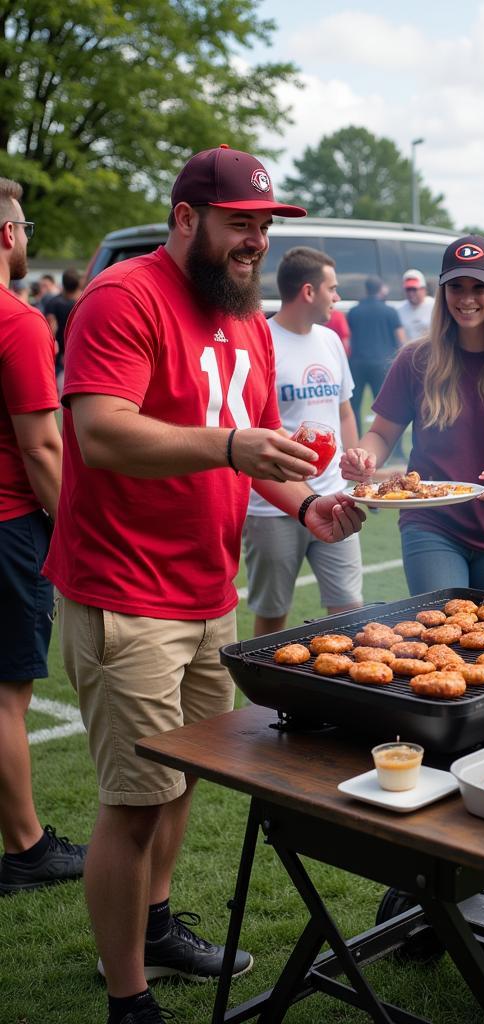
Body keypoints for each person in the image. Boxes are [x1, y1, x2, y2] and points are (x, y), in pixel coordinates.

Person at [44, 146, 364, 1024]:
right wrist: (231, 447)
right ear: (187, 218)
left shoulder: (248, 318)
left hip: (204, 591)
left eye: (265, 226)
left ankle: (154, 925)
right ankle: (128, 999)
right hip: (124, 592)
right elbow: (103, 433)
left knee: (183, 780)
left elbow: (258, 440)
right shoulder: (122, 296)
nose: (255, 242)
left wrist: (308, 508)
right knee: (132, 802)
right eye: (239, 224)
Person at [341, 234, 484, 595]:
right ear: (442, 292)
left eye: (479, 287)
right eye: (455, 287)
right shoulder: (415, 359)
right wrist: (364, 455)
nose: (466, 299)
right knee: (439, 639)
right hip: (432, 525)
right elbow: (383, 434)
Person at [0, 178, 87, 896]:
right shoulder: (19, 321)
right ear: (7, 236)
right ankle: (28, 849)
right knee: (6, 698)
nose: (28, 238)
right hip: (8, 529)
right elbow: (42, 448)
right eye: (24, 226)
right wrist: (74, 532)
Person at [243, 247, 362, 637]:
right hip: (273, 504)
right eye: (333, 288)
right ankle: (264, 697)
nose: (337, 297)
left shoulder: (329, 340)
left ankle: (345, 695)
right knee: (274, 614)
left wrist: (355, 463)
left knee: (348, 609)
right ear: (308, 291)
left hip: (334, 497)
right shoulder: (260, 340)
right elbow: (253, 424)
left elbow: (344, 411)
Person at [347, 275, 405, 430]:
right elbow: (401, 339)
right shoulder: (390, 311)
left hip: (357, 364)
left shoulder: (354, 311)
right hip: (382, 363)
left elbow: (348, 340)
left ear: (366, 290)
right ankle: (396, 448)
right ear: (381, 289)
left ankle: (355, 441)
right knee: (388, 408)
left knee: (355, 407)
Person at [45, 266, 81, 383]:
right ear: (78, 284)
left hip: (59, 356)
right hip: (77, 355)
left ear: (63, 283)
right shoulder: (82, 302)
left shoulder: (53, 303)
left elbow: (51, 330)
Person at [396, 268, 435, 343]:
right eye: (408, 290)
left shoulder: (434, 306)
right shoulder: (400, 309)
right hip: (408, 351)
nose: (411, 293)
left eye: (414, 289)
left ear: (423, 289)